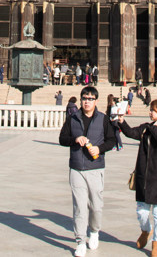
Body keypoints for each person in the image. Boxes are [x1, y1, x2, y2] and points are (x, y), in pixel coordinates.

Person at [59, 86, 116, 257]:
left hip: (95, 167)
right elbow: (62, 138)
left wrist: (99, 149)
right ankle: (80, 241)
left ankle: (94, 231)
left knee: (96, 206)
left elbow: (112, 140)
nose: (87, 101)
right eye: (84, 98)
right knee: (80, 207)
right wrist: (75, 139)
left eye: (90, 98)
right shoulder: (73, 118)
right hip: (76, 167)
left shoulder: (103, 119)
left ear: (96, 101)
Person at [117, 99, 157, 257]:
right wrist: (122, 121)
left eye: (154, 110)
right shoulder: (146, 127)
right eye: (150, 110)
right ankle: (146, 230)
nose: (150, 112)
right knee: (142, 211)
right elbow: (132, 133)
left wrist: (155, 128)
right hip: (144, 173)